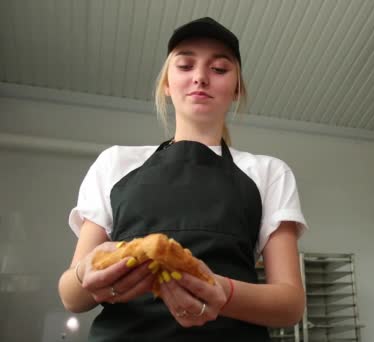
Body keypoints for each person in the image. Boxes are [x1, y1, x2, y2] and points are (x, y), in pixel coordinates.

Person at [57, 17, 308, 341]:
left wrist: (223, 292)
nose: (200, 77)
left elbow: (289, 304)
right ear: (166, 83)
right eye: (186, 65)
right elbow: (71, 297)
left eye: (219, 69)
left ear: (236, 89)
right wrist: (85, 275)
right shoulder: (115, 162)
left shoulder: (269, 172)